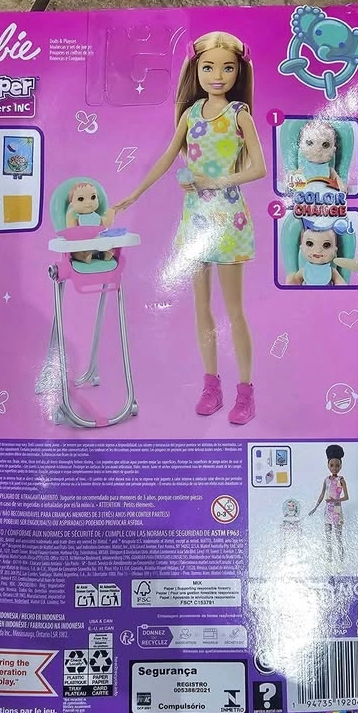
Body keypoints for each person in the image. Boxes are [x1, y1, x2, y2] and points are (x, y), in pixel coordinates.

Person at [111, 31, 266, 425]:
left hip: (228, 221)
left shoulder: (239, 115)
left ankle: (245, 392)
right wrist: (133, 195)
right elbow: (167, 157)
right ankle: (211, 385)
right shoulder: (191, 114)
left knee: (234, 310)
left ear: (238, 72)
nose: (218, 76)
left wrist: (218, 181)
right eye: (208, 68)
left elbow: (259, 168)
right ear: (196, 70)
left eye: (227, 68)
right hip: (195, 220)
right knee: (201, 307)